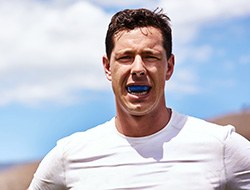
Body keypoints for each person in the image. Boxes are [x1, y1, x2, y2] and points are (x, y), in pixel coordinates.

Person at [28, 8, 250, 190]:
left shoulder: (221, 146)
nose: (138, 68)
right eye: (125, 57)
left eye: (150, 56)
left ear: (169, 67)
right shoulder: (69, 156)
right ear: (107, 67)